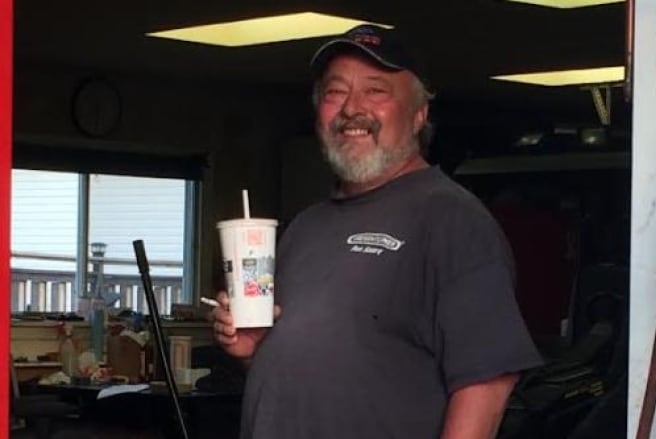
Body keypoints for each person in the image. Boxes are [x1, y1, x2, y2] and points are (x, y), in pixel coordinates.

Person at [210, 24, 543, 439]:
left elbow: (487, 382)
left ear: (420, 114)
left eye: (376, 91)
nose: (352, 109)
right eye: (335, 92)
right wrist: (255, 350)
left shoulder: (452, 220)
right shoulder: (306, 226)